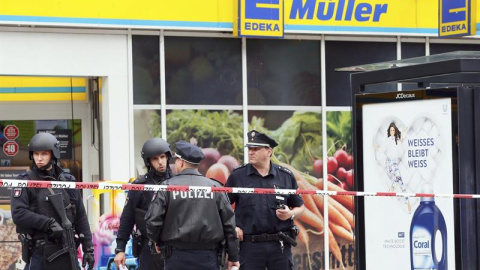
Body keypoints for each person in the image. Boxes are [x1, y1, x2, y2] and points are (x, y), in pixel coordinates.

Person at [145, 141, 240, 270]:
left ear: (181, 162)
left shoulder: (167, 187)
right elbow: (229, 224)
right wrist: (233, 256)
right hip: (208, 258)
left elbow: (153, 221)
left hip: (175, 257)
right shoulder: (215, 188)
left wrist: (157, 240)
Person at [11, 132, 94, 270]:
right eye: (36, 154)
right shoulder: (25, 181)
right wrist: (48, 223)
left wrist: (89, 248)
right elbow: (18, 213)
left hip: (67, 252)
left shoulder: (67, 180)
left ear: (53, 154)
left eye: (44, 154)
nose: (39, 158)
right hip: (40, 253)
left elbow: (80, 216)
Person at [225, 130, 305, 270]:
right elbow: (223, 207)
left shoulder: (285, 176)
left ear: (269, 151)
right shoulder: (238, 176)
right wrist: (233, 226)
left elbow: (300, 207)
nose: (250, 152)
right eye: (249, 149)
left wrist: (290, 214)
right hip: (249, 247)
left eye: (256, 149)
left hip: (279, 247)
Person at [114, 137, 173, 270]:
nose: (160, 162)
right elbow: (127, 219)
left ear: (168, 157)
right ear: (148, 162)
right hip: (148, 247)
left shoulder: (177, 183)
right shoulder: (140, 186)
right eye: (155, 159)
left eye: (163, 157)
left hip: (174, 248)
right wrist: (120, 249)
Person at [375, 122, 411, 213]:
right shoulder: (387, 140)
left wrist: (402, 131)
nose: (392, 131)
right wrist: (376, 147)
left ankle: (392, 189)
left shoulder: (396, 139)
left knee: (399, 181)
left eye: (393, 130)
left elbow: (401, 142)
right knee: (400, 181)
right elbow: (382, 150)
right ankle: (407, 204)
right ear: (389, 131)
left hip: (395, 163)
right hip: (389, 163)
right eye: (390, 130)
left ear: (395, 131)